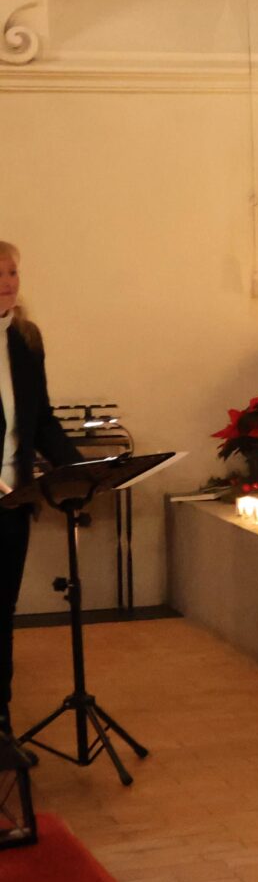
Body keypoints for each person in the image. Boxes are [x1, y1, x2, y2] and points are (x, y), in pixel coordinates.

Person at [0, 240, 79, 735]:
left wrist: (79, 469)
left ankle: (1, 721)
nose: (7, 282)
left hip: (13, 499)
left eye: (12, 273)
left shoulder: (26, 340)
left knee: (2, 612)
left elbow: (42, 420)